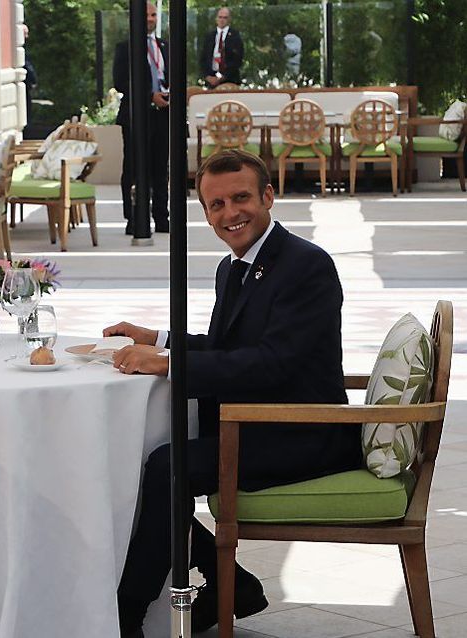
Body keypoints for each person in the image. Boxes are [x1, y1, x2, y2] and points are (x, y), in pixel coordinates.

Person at [105, 150, 361, 637]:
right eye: (215, 205)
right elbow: (229, 348)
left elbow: (271, 363)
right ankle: (234, 584)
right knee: (149, 465)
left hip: (304, 432)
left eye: (241, 198)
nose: (230, 214)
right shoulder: (234, 266)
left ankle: (129, 611)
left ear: (268, 195)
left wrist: (169, 364)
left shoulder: (307, 265)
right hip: (257, 424)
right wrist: (156, 338)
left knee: (168, 469)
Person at [113, 2, 170, 234]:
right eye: (146, 15)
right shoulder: (125, 48)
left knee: (160, 168)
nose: (150, 19)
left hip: (163, 115)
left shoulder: (165, 46)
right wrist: (149, 96)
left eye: (154, 15)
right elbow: (120, 82)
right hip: (136, 116)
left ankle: (161, 216)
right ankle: (134, 218)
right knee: (134, 168)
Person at [200, 7, 244, 88]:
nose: (222, 20)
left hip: (230, 80)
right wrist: (207, 76)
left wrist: (223, 77)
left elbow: (237, 60)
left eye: (225, 17)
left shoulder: (235, 36)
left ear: (229, 19)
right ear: (216, 18)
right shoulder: (209, 36)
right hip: (211, 80)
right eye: (220, 17)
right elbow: (203, 59)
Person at [22, 23, 38, 126]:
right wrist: (33, 80)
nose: (27, 37)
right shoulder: (20, 50)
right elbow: (27, 66)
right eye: (25, 34)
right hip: (24, 83)